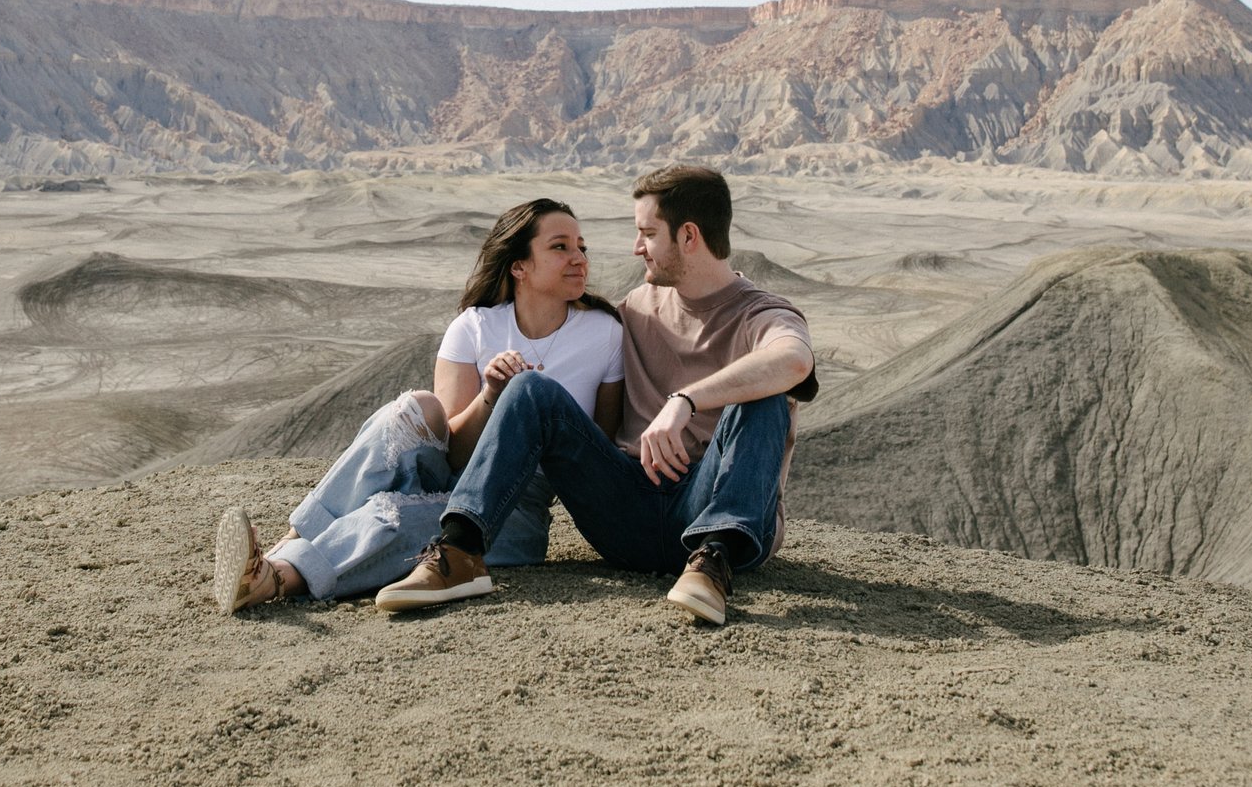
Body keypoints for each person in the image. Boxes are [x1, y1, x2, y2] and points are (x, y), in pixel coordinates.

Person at [376, 164, 815, 627]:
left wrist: (684, 401)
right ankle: (460, 551)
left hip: (714, 508)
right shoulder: (636, 309)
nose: (636, 247)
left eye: (647, 233)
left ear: (688, 236)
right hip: (628, 507)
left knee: (768, 394)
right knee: (531, 388)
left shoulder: (763, 313)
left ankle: (714, 562)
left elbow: (793, 361)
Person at [213, 198, 624, 613]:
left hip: (514, 506)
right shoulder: (475, 327)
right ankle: (300, 536)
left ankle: (275, 579)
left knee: (392, 513)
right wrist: (491, 397)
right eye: (561, 247)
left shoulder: (604, 334)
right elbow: (453, 452)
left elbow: (593, 451)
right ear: (519, 266)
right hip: (453, 473)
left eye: (581, 247)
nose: (579, 259)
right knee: (415, 409)